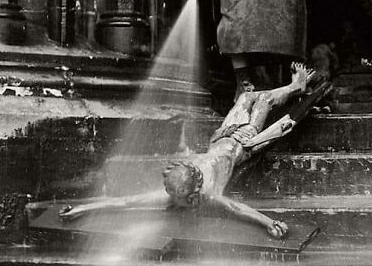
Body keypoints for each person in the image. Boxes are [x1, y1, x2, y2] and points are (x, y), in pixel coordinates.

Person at [56, 63, 327, 240]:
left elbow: (235, 207)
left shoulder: (201, 192)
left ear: (192, 190)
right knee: (256, 98)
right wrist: (83, 208)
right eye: (173, 196)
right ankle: (294, 86)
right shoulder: (190, 193)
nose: (172, 201)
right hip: (233, 141)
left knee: (251, 97)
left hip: (234, 139)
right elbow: (126, 202)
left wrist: (269, 223)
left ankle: (296, 87)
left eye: (177, 198)